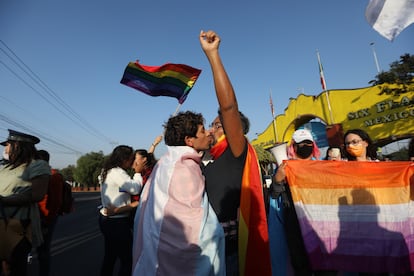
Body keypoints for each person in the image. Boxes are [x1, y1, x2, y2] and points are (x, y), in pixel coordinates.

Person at [199, 30, 271, 276]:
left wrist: (213, 56)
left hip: (228, 250)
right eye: (212, 124)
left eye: (218, 125)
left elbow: (228, 107)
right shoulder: (204, 159)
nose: (211, 129)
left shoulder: (236, 151)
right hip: (202, 247)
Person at [132, 111, 225, 275]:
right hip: (175, 261)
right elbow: (197, 225)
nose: (209, 132)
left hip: (153, 252)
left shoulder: (165, 162)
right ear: (189, 140)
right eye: (202, 131)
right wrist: (218, 235)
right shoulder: (185, 169)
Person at [269, 128, 338, 276]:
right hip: (295, 224)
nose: (304, 146)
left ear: (313, 146)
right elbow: (274, 197)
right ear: (293, 147)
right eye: (300, 143)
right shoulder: (283, 168)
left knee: (326, 266)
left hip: (322, 224)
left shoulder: (322, 167)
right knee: (301, 265)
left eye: (308, 143)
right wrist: (278, 181)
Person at [0, 129, 50, 276]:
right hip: (2, 223)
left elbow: (37, 194)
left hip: (18, 225)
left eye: (8, 145)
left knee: (17, 269)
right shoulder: (6, 167)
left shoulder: (37, 165)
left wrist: (5, 200)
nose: (5, 149)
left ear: (18, 146)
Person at [98, 145, 144, 276]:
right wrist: (138, 172)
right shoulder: (117, 172)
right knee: (128, 260)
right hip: (116, 222)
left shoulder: (107, 170)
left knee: (110, 258)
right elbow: (135, 189)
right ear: (124, 159)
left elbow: (121, 188)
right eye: (131, 159)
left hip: (108, 220)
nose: (132, 162)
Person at [36, 149, 65, 276]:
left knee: (43, 250)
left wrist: (47, 221)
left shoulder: (53, 176)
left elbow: (56, 201)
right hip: (38, 217)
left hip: (46, 218)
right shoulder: (41, 174)